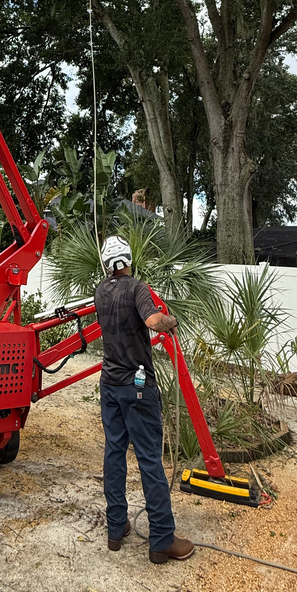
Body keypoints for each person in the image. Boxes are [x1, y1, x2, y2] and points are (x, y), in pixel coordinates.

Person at [94, 234, 195, 565]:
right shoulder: (137, 288)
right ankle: (162, 541)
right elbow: (153, 322)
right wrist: (171, 321)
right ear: (128, 260)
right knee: (149, 459)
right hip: (137, 387)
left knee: (114, 454)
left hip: (109, 385)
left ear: (107, 264)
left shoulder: (100, 291)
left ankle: (116, 528)